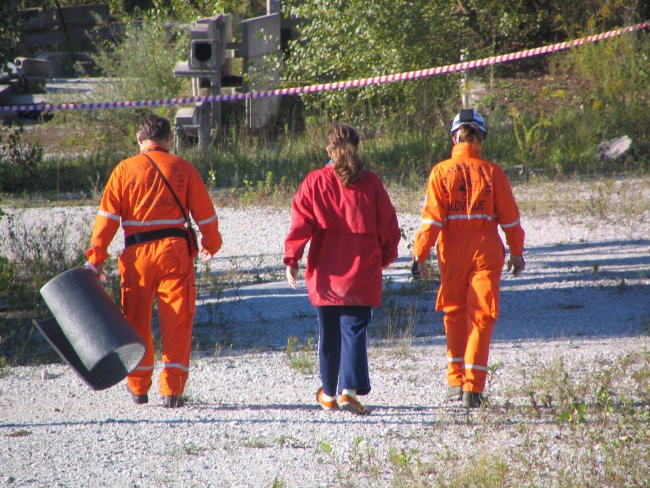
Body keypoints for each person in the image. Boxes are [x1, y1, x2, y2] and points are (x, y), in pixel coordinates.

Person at [85, 113, 222, 408]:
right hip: (175, 252)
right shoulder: (183, 168)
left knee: (135, 322)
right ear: (169, 139)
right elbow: (205, 214)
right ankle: (171, 391)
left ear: (139, 139)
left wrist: (96, 258)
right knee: (177, 320)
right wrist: (213, 243)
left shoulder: (124, 170)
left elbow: (107, 219)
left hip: (136, 256)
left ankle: (138, 388)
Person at [284, 124, 401, 415]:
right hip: (362, 271)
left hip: (326, 274)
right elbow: (389, 225)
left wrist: (292, 260)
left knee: (329, 334)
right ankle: (349, 391)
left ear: (328, 151)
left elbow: (300, 224)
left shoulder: (315, 181)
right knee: (354, 331)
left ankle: (328, 392)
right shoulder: (371, 183)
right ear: (357, 148)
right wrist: (385, 256)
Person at [412, 109, 525, 408]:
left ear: (454, 137)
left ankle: (455, 382)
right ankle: (472, 390)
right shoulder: (493, 172)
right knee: (482, 316)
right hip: (486, 248)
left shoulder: (440, 171)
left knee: (454, 314)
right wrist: (516, 253)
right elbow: (511, 220)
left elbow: (431, 221)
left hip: (452, 252)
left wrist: (419, 257)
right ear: (481, 139)